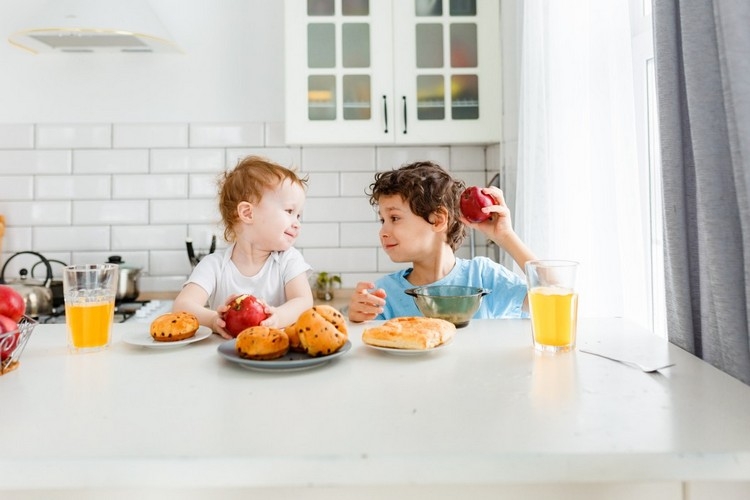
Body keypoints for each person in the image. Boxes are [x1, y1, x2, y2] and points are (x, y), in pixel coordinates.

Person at [348, 161, 537, 322]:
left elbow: (557, 299)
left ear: (438, 220)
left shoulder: (484, 277)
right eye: (383, 220)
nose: (383, 232)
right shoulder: (383, 295)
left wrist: (506, 236)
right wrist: (357, 321)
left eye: (394, 218)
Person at [173, 156, 313, 338]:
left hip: (274, 354)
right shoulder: (214, 265)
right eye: (289, 211)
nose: (297, 223)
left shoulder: (288, 260)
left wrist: (278, 317)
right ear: (247, 213)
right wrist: (214, 320)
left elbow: (303, 301)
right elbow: (182, 305)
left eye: (298, 215)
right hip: (225, 358)